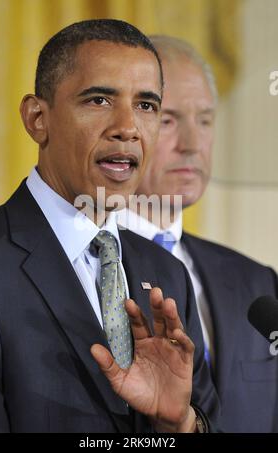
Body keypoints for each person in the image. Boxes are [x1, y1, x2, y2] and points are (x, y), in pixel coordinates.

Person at [0, 20, 219, 433]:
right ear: (37, 118)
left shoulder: (168, 274)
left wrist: (178, 423)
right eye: (99, 100)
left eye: (146, 106)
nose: (127, 127)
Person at [118, 35, 278, 433]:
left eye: (204, 119)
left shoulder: (257, 283)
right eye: (169, 120)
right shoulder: (83, 265)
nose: (192, 145)